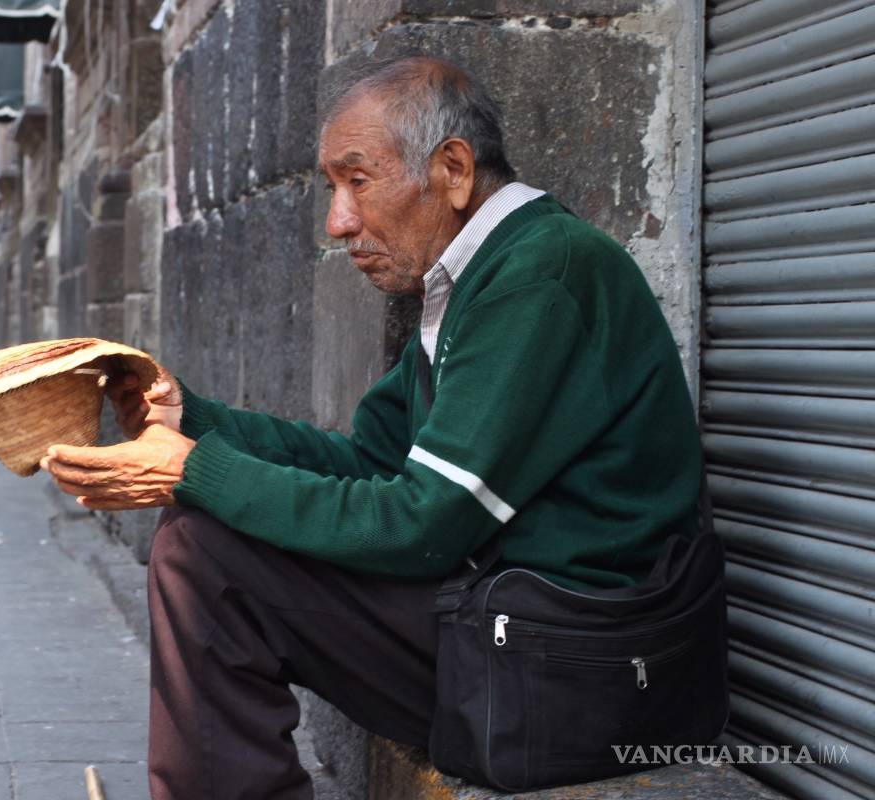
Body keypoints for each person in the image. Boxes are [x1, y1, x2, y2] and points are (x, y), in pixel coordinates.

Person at [41, 56, 703, 799]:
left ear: (452, 168)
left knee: (206, 559)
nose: (337, 221)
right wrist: (189, 419)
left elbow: (424, 523)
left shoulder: (541, 274)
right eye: (332, 187)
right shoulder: (467, 278)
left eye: (357, 181)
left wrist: (195, 469)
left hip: (583, 677)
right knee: (203, 543)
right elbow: (369, 463)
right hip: (522, 636)